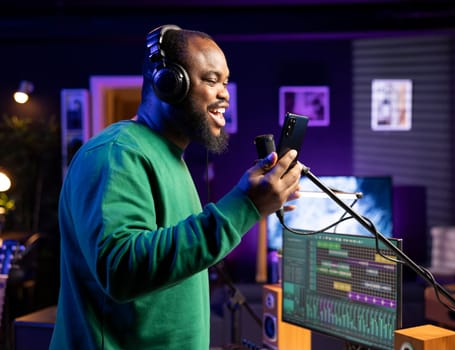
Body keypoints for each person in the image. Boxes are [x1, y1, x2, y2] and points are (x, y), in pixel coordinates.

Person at [49, 24, 302, 349]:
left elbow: (172, 264)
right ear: (169, 84)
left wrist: (258, 204)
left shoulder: (169, 157)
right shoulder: (117, 153)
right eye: (211, 80)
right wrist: (245, 205)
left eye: (225, 82)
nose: (224, 93)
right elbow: (120, 269)